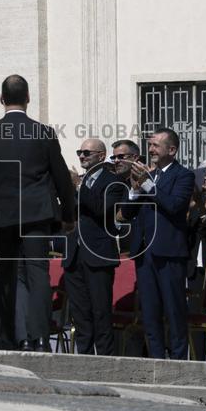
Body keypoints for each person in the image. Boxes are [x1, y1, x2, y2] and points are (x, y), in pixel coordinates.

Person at [0, 74, 76, 351]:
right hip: (37, 214)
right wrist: (68, 215)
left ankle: (13, 337)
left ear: (1, 100)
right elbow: (62, 178)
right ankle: (40, 338)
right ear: (28, 98)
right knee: (38, 273)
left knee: (6, 275)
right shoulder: (44, 133)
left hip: (2, 217)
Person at [122, 128, 195, 359]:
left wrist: (147, 185)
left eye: (156, 145)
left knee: (174, 311)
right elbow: (126, 212)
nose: (151, 150)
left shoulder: (183, 175)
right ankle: (155, 359)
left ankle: (178, 362)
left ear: (171, 150)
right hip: (145, 252)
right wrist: (134, 190)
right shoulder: (147, 177)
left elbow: (174, 205)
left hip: (169, 253)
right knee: (150, 312)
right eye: (150, 145)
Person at [62, 138, 126, 355]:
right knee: (80, 314)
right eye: (80, 152)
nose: (81, 156)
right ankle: (84, 360)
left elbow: (102, 209)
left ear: (100, 156)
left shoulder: (113, 182)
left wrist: (79, 187)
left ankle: (105, 361)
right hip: (74, 253)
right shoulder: (76, 182)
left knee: (101, 313)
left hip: (98, 255)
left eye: (87, 153)